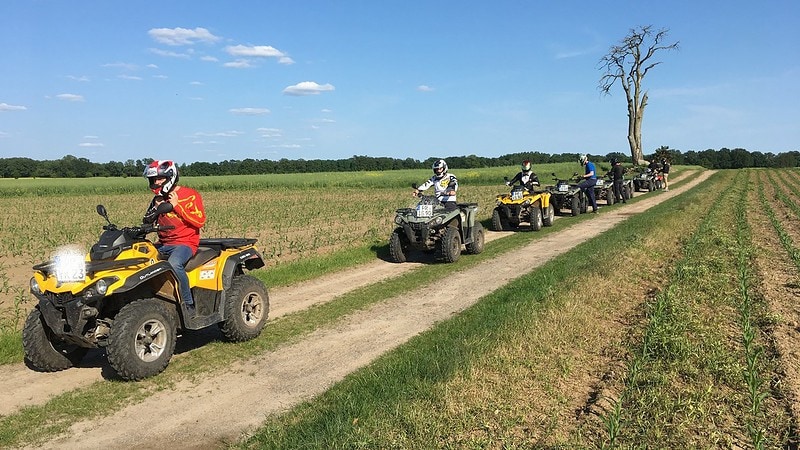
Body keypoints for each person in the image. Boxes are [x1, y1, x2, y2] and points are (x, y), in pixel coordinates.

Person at [142, 160, 206, 311]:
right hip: (163, 243)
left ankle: (188, 303)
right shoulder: (157, 199)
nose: (156, 183)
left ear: (170, 177)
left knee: (174, 264)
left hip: (185, 243)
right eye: (153, 180)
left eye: (159, 178)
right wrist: (154, 210)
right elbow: (147, 222)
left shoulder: (190, 195)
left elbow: (199, 221)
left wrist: (177, 206)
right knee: (141, 259)